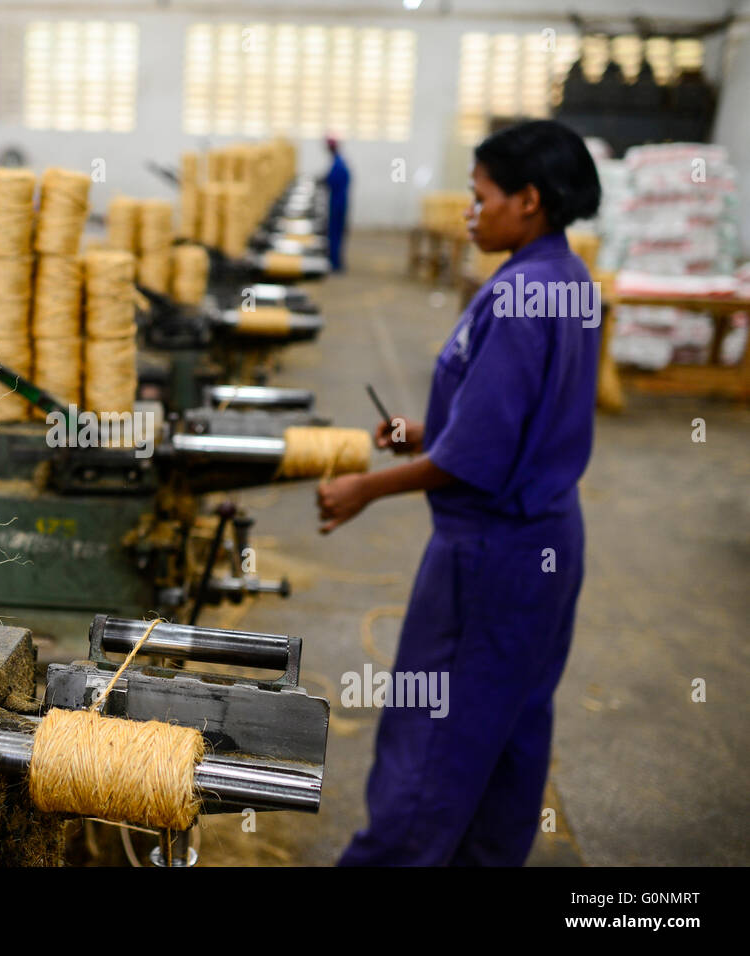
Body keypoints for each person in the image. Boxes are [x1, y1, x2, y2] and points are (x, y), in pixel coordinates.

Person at [318, 120, 602, 865]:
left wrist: (367, 489)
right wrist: (427, 433)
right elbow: (512, 424)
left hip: (491, 559)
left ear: (529, 200)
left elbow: (477, 459)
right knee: (508, 731)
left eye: (480, 198)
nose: (468, 213)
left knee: (433, 746)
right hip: (547, 545)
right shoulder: (567, 280)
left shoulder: (517, 299)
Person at [323, 137, 350, 272]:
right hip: (340, 201)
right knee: (337, 232)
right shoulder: (339, 162)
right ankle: (336, 261)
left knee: (335, 232)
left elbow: (332, 181)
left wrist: (324, 180)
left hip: (337, 202)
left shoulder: (338, 164)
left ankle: (335, 263)